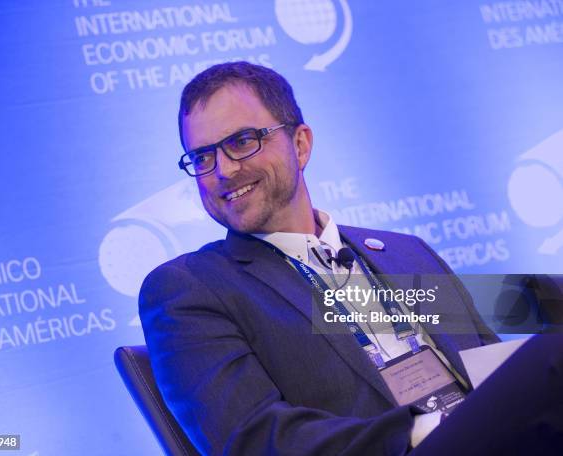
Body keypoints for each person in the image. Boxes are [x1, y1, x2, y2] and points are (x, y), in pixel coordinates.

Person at [138, 61, 535, 455]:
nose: (223, 170)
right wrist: (427, 430)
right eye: (203, 157)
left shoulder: (405, 252)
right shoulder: (190, 289)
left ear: (300, 144)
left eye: (242, 141)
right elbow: (255, 440)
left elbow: (489, 366)